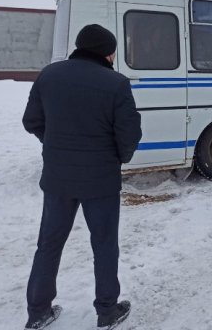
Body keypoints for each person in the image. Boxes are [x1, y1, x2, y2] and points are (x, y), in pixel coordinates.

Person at [22, 24, 142, 330]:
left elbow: (31, 120)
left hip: (58, 179)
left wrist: (56, 144)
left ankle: (38, 312)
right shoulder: (116, 84)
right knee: (104, 244)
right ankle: (107, 311)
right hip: (100, 181)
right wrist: (117, 156)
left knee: (48, 244)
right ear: (106, 52)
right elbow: (129, 135)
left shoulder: (49, 74)